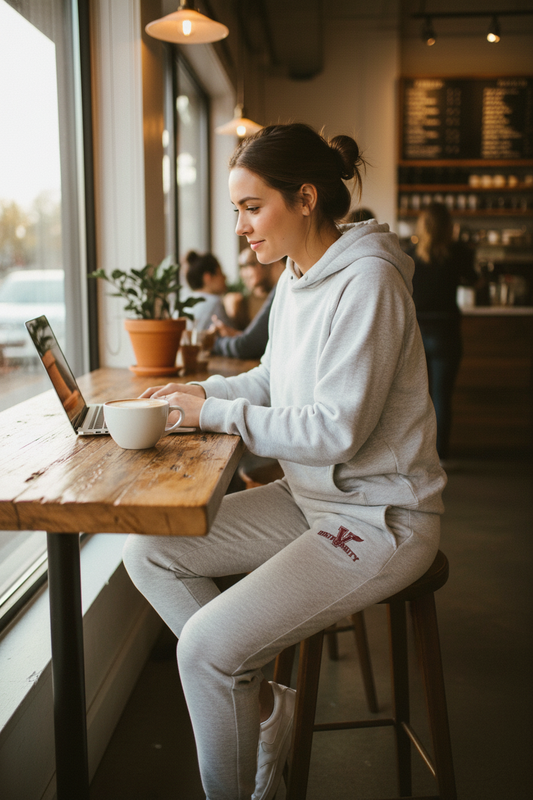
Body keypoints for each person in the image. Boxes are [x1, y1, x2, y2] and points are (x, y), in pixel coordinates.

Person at [123, 123, 446, 800]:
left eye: (251, 207)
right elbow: (270, 382)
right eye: (235, 209)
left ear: (304, 199)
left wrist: (209, 414)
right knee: (147, 548)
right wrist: (197, 394)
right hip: (310, 502)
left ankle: (242, 708)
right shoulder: (296, 278)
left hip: (379, 518)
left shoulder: (369, 283)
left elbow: (335, 432)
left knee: (206, 649)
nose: (239, 226)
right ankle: (267, 705)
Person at [409, 202, 478, 463]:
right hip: (446, 333)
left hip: (416, 334)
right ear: (448, 227)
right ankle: (439, 457)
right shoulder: (459, 253)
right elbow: (474, 279)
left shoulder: (410, 254)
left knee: (417, 400)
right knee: (441, 398)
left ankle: (418, 457)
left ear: (422, 226)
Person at [209, 255, 286, 360]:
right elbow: (255, 339)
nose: (243, 273)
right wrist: (233, 333)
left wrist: (213, 342)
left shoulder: (282, 292)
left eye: (248, 265)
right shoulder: (240, 303)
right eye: (241, 267)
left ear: (272, 263)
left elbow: (249, 345)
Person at [182, 250, 233, 331]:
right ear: (207, 277)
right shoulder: (214, 303)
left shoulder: (184, 302)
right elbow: (232, 336)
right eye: (220, 273)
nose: (225, 277)